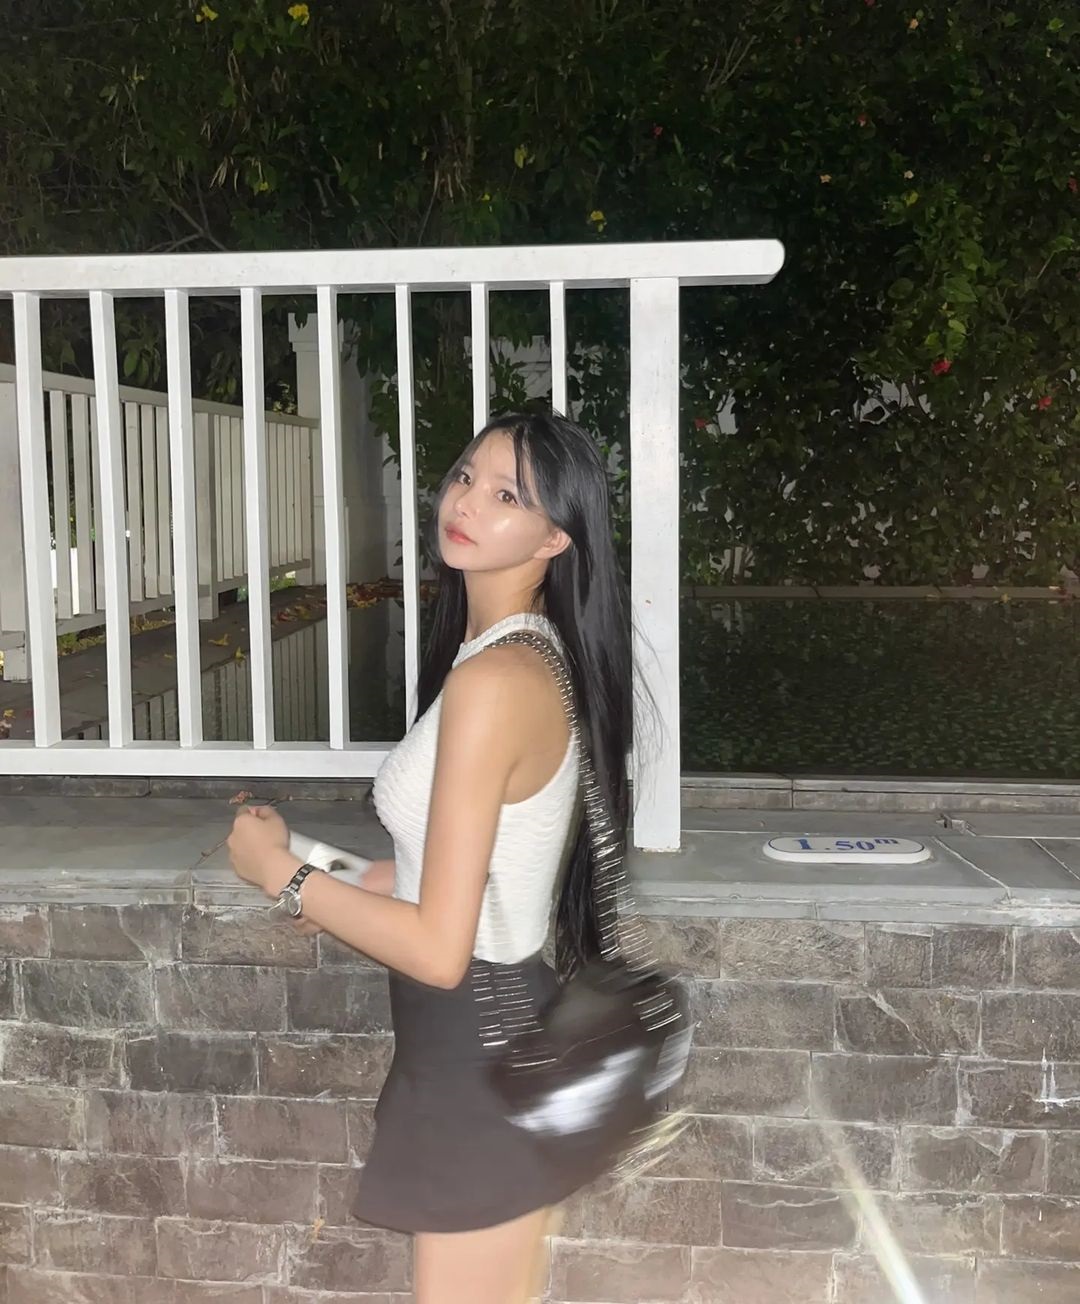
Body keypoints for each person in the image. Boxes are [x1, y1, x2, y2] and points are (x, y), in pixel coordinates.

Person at [227, 410, 635, 1304]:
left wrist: (282, 878)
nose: (466, 502)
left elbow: (441, 949)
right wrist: (324, 866)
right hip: (494, 1034)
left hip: (474, 1048)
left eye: (507, 495)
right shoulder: (521, 653)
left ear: (556, 537)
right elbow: (450, 872)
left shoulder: (497, 682)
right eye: (465, 476)